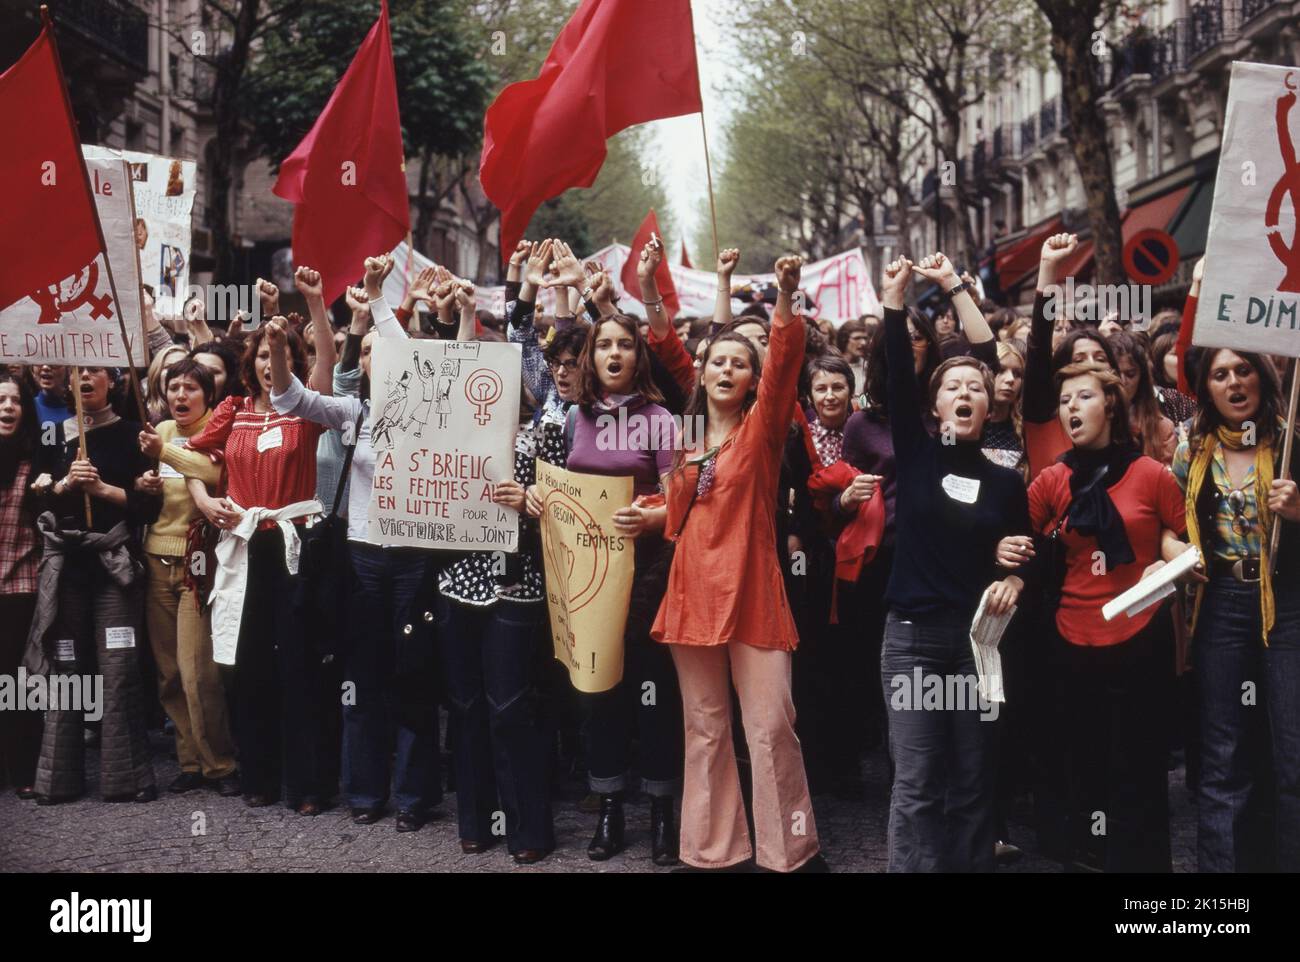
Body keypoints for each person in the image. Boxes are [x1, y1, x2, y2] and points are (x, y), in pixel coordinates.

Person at [651, 254, 823, 873]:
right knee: (704, 729)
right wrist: (643, 512)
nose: (729, 368)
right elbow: (674, 509)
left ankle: (790, 852)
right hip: (692, 595)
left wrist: (783, 296)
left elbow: (784, 364)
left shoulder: (763, 430)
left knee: (773, 727)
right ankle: (712, 852)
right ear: (705, 372)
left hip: (753, 594)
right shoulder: (684, 434)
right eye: (718, 360)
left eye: (740, 363)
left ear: (753, 379)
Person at [1000, 361, 1190, 871]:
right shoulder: (1050, 480)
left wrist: (1170, 555)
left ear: (1110, 403)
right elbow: (1023, 544)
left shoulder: (1152, 474)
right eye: (1063, 402)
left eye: (1082, 397)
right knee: (1082, 767)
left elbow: (1182, 539)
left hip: (1139, 636)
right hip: (1069, 641)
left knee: (1140, 768)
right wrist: (1008, 558)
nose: (1070, 409)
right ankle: (1088, 857)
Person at [875, 254, 1029, 873]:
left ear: (990, 405)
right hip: (912, 640)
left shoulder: (1005, 481)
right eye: (952, 387)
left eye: (976, 388)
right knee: (916, 780)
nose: (965, 393)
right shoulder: (915, 453)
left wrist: (1017, 573)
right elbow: (894, 370)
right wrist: (894, 300)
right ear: (935, 405)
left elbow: (1023, 556)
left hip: (978, 643)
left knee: (973, 780)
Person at [526, 302, 684, 865]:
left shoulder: (663, 420)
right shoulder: (575, 417)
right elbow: (553, 487)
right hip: (585, 575)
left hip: (645, 576)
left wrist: (651, 516)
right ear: (591, 357)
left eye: (624, 344)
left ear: (638, 355)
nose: (613, 353)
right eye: (604, 345)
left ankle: (664, 813)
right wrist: (542, 497)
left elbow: (682, 503)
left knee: (653, 694)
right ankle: (611, 805)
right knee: (598, 694)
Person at [182, 274, 328, 816]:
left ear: (293, 358)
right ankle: (260, 775)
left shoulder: (308, 410)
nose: (271, 362)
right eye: (264, 354)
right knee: (247, 665)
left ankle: (307, 784)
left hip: (293, 547)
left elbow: (329, 361)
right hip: (243, 547)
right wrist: (202, 499)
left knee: (299, 664)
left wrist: (311, 302)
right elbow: (188, 458)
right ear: (252, 362)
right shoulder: (233, 410)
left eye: (281, 351)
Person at [1172, 347, 1300, 872]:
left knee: (1293, 756)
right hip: (1221, 606)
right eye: (1220, 374)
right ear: (1207, 389)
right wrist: (1176, 550)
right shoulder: (1192, 452)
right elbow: (1163, 518)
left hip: (1288, 606)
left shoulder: (1294, 442)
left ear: (1263, 377)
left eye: (1243, 370)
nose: (1233, 383)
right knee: (1224, 759)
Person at [23, 367, 161, 804]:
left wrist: (102, 489)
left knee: (118, 671)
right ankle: (57, 782)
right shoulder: (51, 434)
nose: (84, 378)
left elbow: (147, 506)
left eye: (94, 371)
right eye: (78, 372)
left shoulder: (134, 432)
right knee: (65, 671)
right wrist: (62, 484)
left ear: (110, 381)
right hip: (68, 570)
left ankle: (129, 779)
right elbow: (35, 496)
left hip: (114, 567)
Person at [137, 360, 238, 797]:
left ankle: (220, 763)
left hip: (197, 565)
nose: (180, 395)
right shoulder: (156, 434)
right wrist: (143, 484)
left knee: (199, 671)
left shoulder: (218, 433)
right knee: (169, 675)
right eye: (172, 387)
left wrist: (165, 457)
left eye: (190, 389)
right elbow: (141, 496)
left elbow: (217, 474)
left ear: (207, 396)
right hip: (155, 560)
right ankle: (190, 762)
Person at [0, 373, 50, 799]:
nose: (7, 407)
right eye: (0, 400)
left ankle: (24, 769)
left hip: (21, 585)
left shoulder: (36, 464)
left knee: (19, 681)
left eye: (16, 400)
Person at [1109, 331, 1176, 464]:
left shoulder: (1162, 428)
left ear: (1142, 378)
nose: (1122, 381)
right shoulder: (1089, 423)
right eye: (1115, 373)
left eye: (1130, 374)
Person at [984, 341, 1026, 473]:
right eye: (1001, 370)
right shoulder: (959, 427)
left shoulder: (1025, 432)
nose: (1010, 379)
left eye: (1017, 374)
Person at [836, 317, 869, 396]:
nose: (863, 342)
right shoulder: (833, 366)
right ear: (844, 339)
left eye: (865, 338)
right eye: (857, 338)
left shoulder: (869, 366)